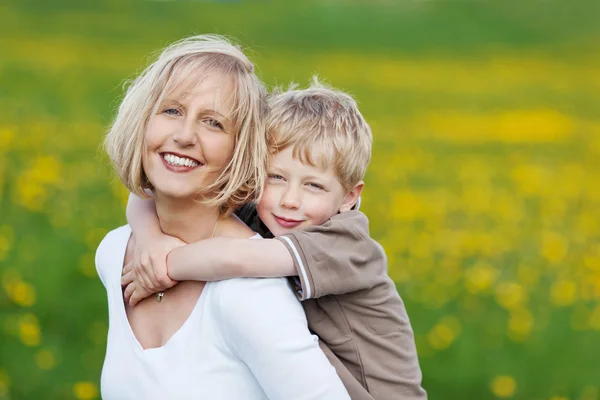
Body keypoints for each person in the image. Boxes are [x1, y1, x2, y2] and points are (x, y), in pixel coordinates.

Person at [124, 79, 427, 399]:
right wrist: (150, 241)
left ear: (349, 197)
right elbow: (148, 195)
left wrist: (162, 267)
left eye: (314, 186)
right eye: (276, 177)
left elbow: (236, 258)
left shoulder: (344, 243)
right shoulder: (269, 213)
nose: (290, 200)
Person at [96, 34, 350, 400]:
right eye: (171, 111)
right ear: (142, 121)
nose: (184, 136)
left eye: (213, 123)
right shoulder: (116, 252)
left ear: (241, 150)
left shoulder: (248, 291)